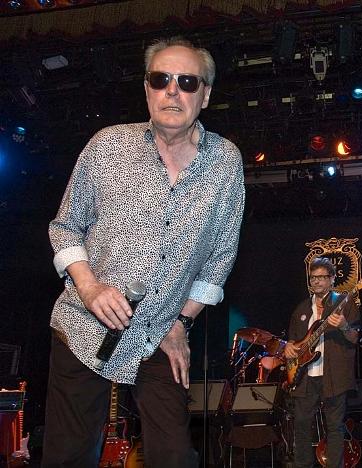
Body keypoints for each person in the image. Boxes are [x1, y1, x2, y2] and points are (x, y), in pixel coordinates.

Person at [43, 37, 245, 468]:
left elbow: (219, 259)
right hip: (84, 328)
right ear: (147, 89)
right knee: (69, 456)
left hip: (160, 334)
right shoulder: (107, 146)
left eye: (187, 82)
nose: (173, 90)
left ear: (206, 95)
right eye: (161, 79)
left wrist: (181, 321)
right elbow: (65, 227)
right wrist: (90, 288)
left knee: (174, 455)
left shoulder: (226, 162)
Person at [283, 257, 359, 468]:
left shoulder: (344, 303)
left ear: (332, 279)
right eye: (313, 277)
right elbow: (293, 340)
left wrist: (343, 326)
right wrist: (288, 347)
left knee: (334, 427)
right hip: (305, 376)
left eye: (321, 277)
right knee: (301, 425)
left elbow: (355, 337)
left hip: (334, 376)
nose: (316, 281)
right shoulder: (301, 308)